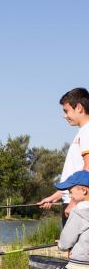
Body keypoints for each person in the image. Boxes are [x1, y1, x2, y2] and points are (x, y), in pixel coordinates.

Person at [39, 88, 89, 224]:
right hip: (74, 202)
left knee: (76, 245)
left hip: (77, 206)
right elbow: (76, 178)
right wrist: (55, 197)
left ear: (79, 108)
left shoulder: (87, 132)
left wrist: (73, 202)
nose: (64, 116)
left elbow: (87, 170)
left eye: (66, 111)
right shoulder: (82, 132)